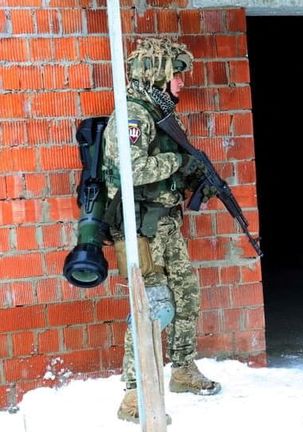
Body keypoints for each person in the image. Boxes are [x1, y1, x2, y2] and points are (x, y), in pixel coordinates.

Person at [101, 37, 221, 423]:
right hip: (141, 228)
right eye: (177, 76)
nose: (182, 83)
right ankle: (135, 394)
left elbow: (169, 169)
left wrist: (192, 176)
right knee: (149, 304)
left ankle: (183, 369)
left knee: (186, 296)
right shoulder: (134, 116)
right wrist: (176, 161)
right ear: (156, 75)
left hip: (167, 223)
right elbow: (130, 170)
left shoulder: (160, 112)